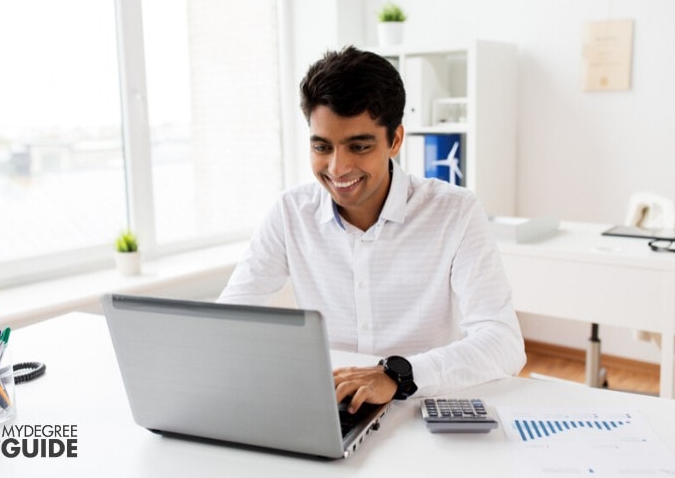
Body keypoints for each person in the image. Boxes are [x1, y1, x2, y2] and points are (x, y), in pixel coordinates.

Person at [218, 46, 525, 413]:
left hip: (418, 405)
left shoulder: (454, 212)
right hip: (331, 408)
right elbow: (229, 321)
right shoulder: (289, 212)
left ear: (395, 140)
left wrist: (397, 375)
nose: (337, 167)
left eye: (359, 146)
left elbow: (504, 342)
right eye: (322, 146)